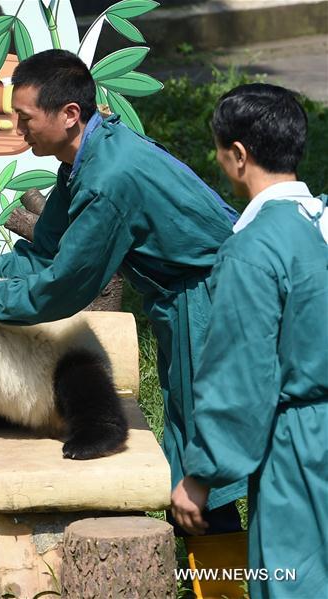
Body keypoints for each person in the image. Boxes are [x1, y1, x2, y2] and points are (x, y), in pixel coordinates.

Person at [0, 49, 246, 530]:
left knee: (205, 466)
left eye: (25, 117)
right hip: (188, 298)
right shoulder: (86, 159)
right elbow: (43, 252)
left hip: (216, 300)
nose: (19, 128)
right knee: (193, 450)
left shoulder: (108, 180)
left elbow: (65, 286)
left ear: (69, 115)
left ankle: (229, 579)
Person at [171, 83, 327, 598]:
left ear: (238, 156)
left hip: (300, 443)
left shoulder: (253, 250)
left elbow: (242, 376)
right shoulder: (322, 221)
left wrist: (203, 472)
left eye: (218, 151)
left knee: (293, 581)